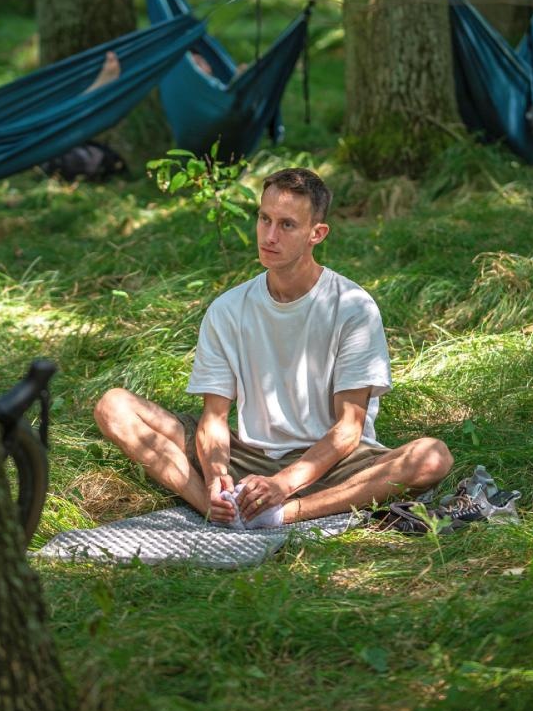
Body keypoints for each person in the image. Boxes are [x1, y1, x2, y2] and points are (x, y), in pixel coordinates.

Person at [94, 166, 453, 527]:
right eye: (264, 219)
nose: (269, 236)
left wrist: (282, 486)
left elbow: (348, 430)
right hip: (250, 455)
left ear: (317, 233)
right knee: (114, 406)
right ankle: (213, 505)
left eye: (286, 225)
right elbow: (214, 418)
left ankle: (284, 514)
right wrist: (217, 474)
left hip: (335, 462)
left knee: (433, 457)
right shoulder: (228, 309)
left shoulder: (352, 307)